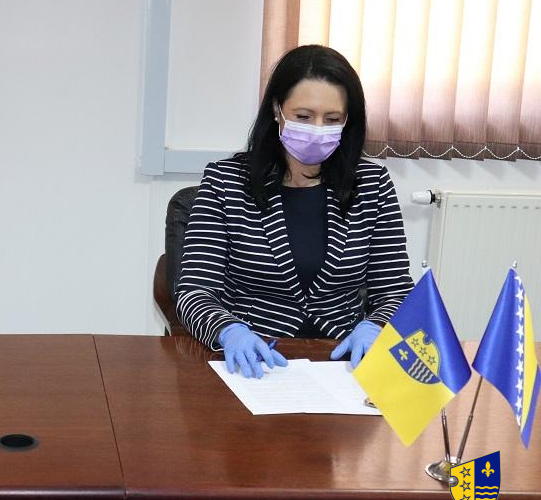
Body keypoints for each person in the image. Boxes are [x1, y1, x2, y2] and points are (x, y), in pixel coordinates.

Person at [175, 45, 413, 378]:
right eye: (303, 116)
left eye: (332, 119)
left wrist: (376, 326)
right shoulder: (225, 182)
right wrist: (229, 331)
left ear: (348, 121)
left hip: (343, 362)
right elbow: (194, 292)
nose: (317, 128)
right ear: (277, 110)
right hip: (255, 363)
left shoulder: (372, 184)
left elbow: (395, 291)